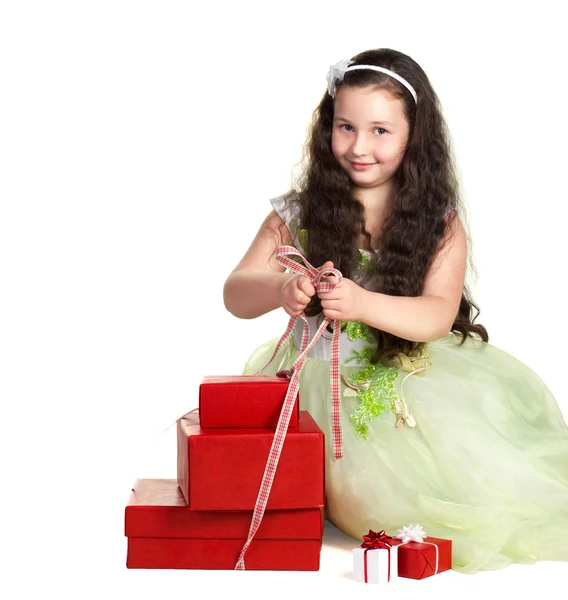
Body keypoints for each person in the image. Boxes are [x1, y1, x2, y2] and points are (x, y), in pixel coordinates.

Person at [222, 48, 568, 574]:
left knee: (444, 493)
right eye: (346, 127)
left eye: (380, 130)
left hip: (401, 383)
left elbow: (433, 315)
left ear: (413, 136)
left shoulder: (438, 223)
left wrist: (361, 302)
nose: (359, 147)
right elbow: (235, 292)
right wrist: (279, 288)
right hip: (313, 385)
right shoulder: (296, 212)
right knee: (304, 494)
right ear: (328, 129)